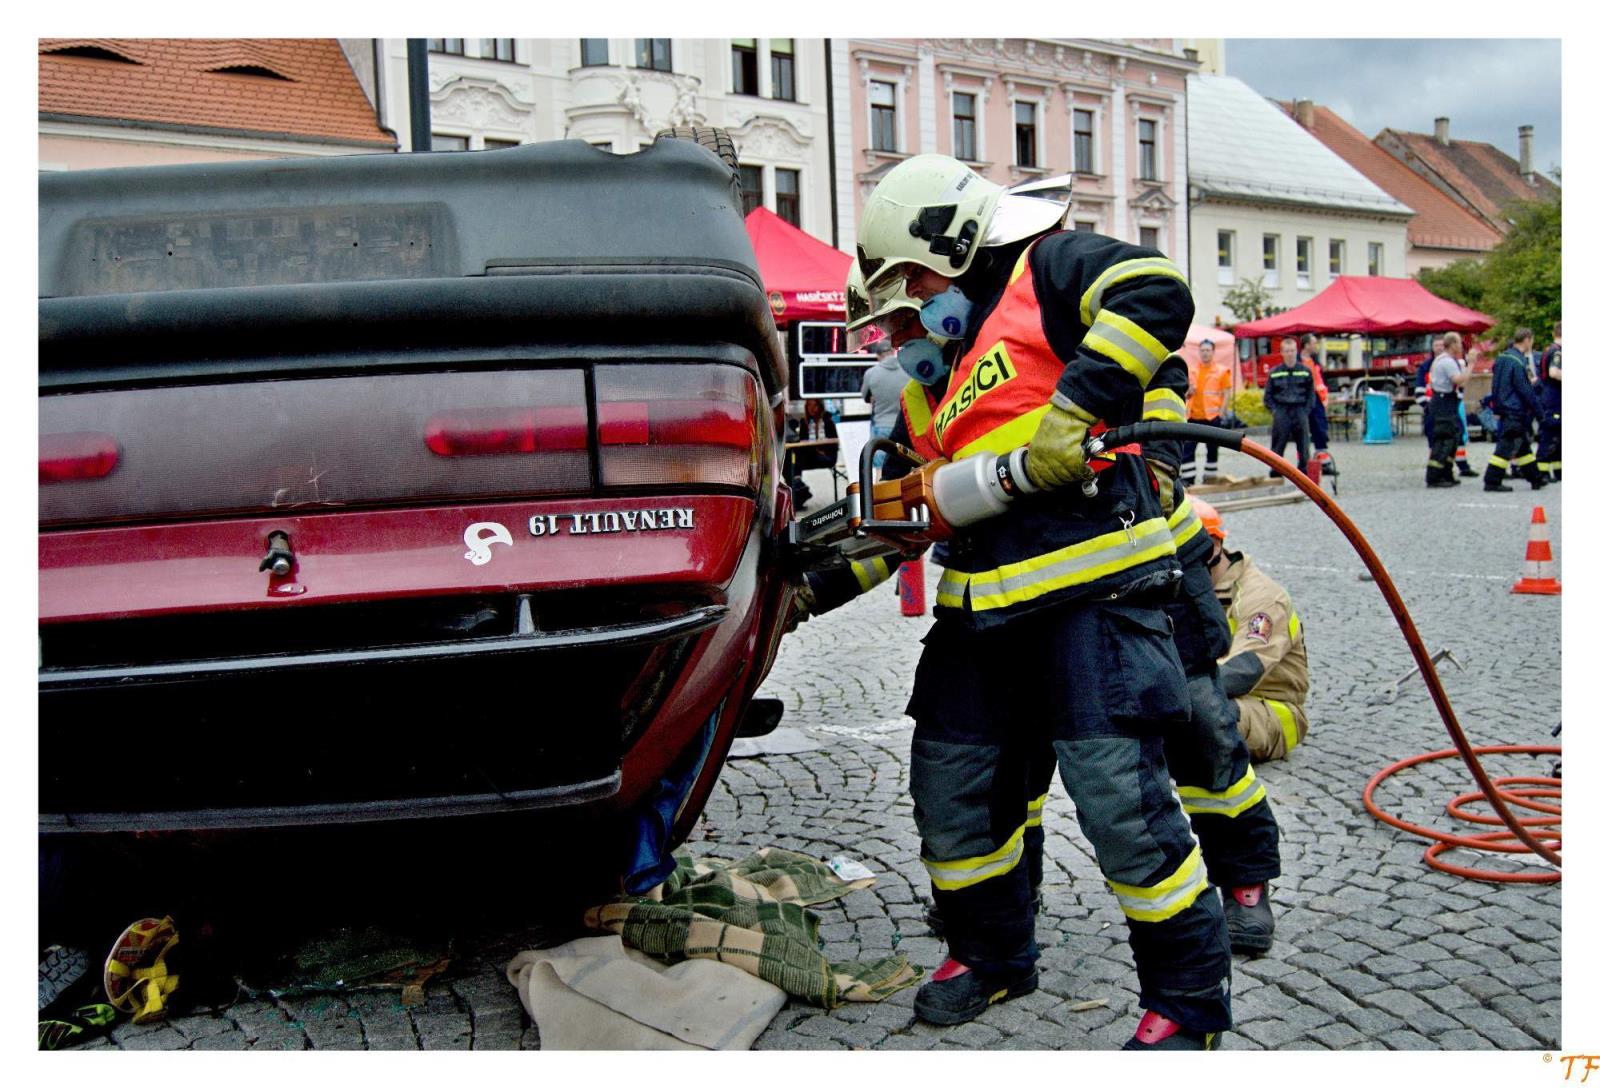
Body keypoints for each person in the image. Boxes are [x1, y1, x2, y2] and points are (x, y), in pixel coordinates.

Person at [854, 153, 1230, 1050]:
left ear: (950, 243)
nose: (908, 312)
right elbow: (911, 510)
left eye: (911, 285)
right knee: (954, 791)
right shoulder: (931, 382)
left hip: (1094, 603)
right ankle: (991, 954)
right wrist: (818, 574)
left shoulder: (1048, 270)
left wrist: (1076, 409)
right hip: (980, 618)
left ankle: (1188, 1003)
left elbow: (1154, 291)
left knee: (1121, 805)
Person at [1196, 500, 1310, 762]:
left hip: (1271, 710)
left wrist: (1174, 694)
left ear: (1213, 547)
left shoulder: (1262, 597)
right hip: (1217, 697)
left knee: (1199, 713)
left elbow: (1243, 671)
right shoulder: (1191, 589)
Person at [1484, 328, 1544, 492]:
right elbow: (1525, 390)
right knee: (1506, 446)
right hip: (1515, 410)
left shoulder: (1502, 358)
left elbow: (1497, 385)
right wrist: (1540, 413)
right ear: (1527, 340)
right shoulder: (1518, 361)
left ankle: (1536, 478)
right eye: (1532, 341)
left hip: (1504, 407)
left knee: (1523, 446)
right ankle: (1492, 480)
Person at [1180, 338, 1232, 485]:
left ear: (1213, 352)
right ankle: (1188, 478)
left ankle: (1210, 478)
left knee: (1212, 449)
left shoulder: (1221, 371)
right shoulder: (1192, 371)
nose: (1205, 353)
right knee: (1188, 448)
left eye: (1208, 350)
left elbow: (1226, 392)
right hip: (1193, 417)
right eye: (1202, 350)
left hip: (1212, 417)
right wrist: (1189, 392)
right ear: (1199, 352)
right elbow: (1185, 393)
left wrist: (1221, 413)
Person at [1263, 337, 1314, 474]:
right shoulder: (1275, 372)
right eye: (1287, 351)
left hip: (1300, 410)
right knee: (1278, 446)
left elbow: (1311, 395)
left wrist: (1305, 411)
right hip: (1281, 411)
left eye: (1292, 350)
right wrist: (1275, 411)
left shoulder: (1305, 371)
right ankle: (1276, 472)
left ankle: (1303, 474)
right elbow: (1268, 396)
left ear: (1296, 351)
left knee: (1303, 446)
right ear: (1282, 352)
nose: (1290, 354)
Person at [1424, 333, 1469, 487]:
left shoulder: (1445, 360)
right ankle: (1434, 476)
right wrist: (1471, 365)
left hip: (1446, 400)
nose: (1461, 346)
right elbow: (1459, 380)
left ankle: (1446, 473)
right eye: (1459, 343)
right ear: (1453, 344)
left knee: (1453, 437)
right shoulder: (1447, 362)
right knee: (1444, 438)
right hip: (1443, 401)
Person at [1536, 320, 1562, 482]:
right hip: (1554, 397)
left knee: (1558, 434)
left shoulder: (1548, 350)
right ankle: (1542, 471)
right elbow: (1553, 372)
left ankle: (1558, 471)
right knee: (1550, 433)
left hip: (1549, 396)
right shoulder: (1558, 352)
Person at [1300, 335, 1331, 456]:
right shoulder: (1298, 361)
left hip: (1317, 398)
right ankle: (1303, 458)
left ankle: (1322, 456)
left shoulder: (1315, 361)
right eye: (1314, 343)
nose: (1316, 346)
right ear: (1306, 345)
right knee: (1302, 429)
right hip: (1303, 398)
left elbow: (1320, 380)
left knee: (1320, 427)